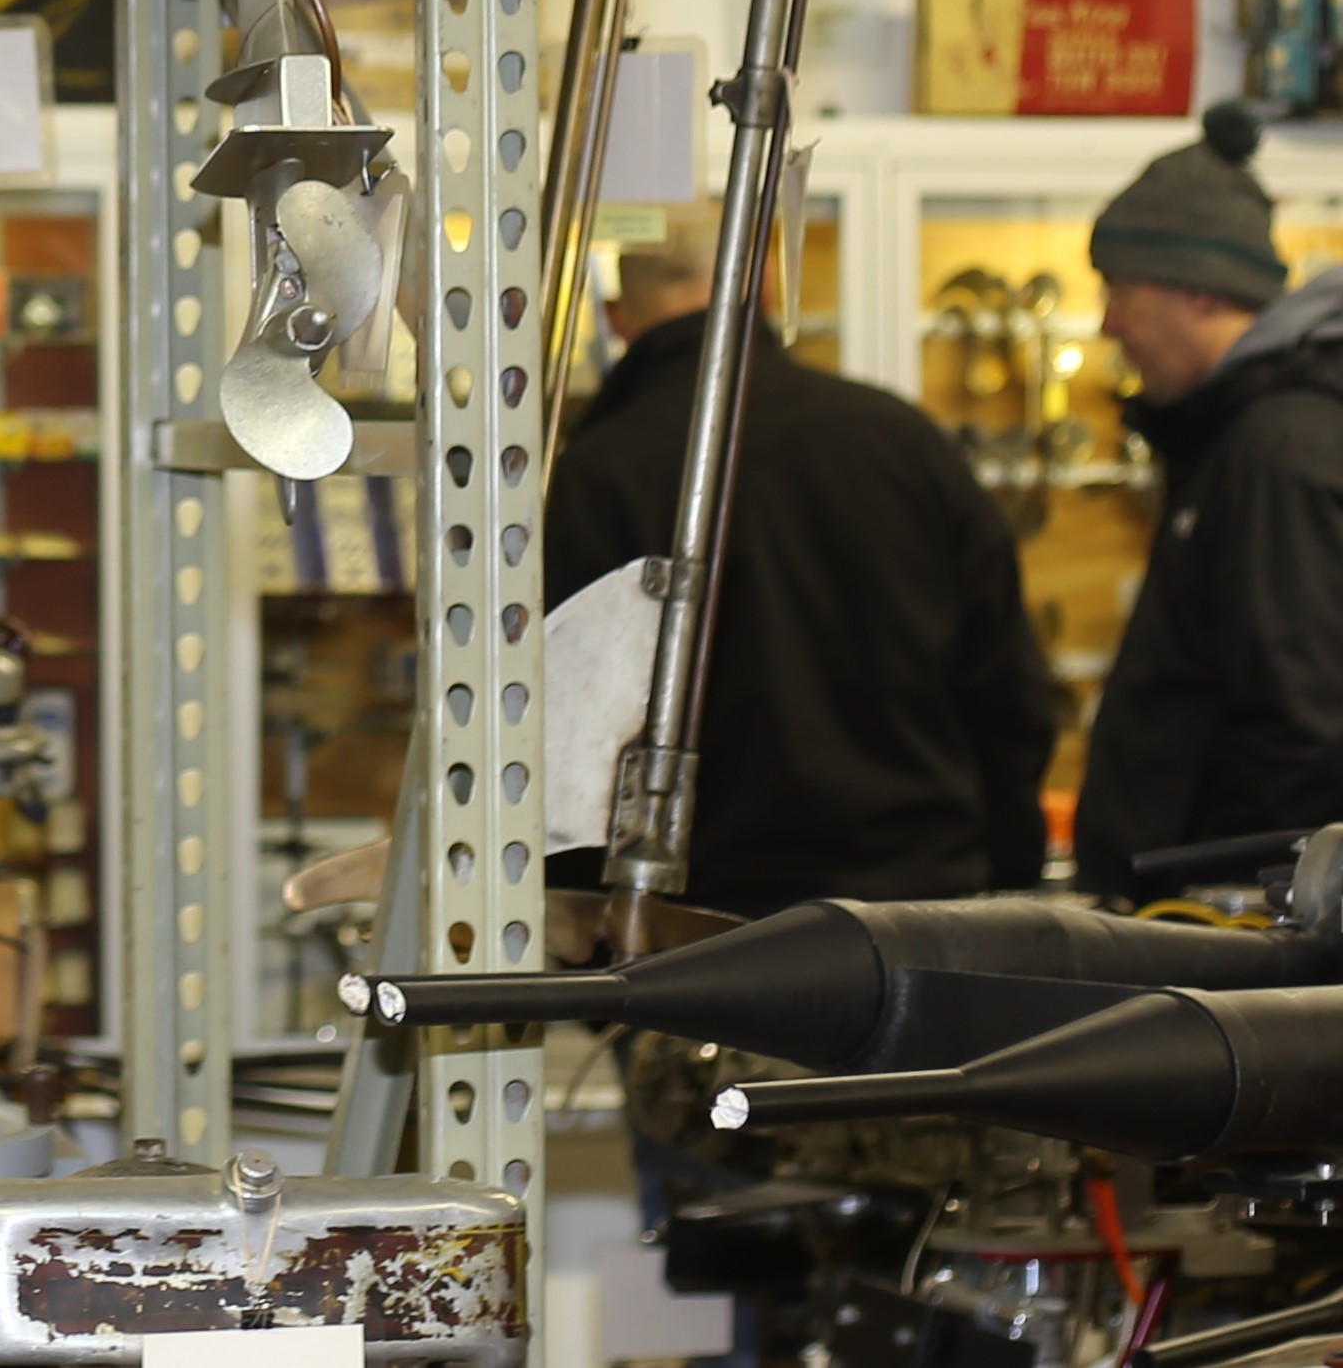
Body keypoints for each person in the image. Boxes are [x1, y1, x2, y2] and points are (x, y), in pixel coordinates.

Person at [543, 205, 1056, 917]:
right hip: (921, 908)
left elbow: (575, 741)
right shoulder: (900, 440)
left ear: (616, 315)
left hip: (703, 927)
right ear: (765, 289)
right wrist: (1004, 874)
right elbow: (1008, 690)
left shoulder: (601, 471)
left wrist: (591, 928)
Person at [1074, 102, 1343, 901]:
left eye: (1121, 289)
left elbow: (1302, 719)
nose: (1109, 322)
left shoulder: (1275, 450)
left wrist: (1250, 908)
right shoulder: (1240, 436)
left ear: (1198, 291)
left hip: (1229, 921)